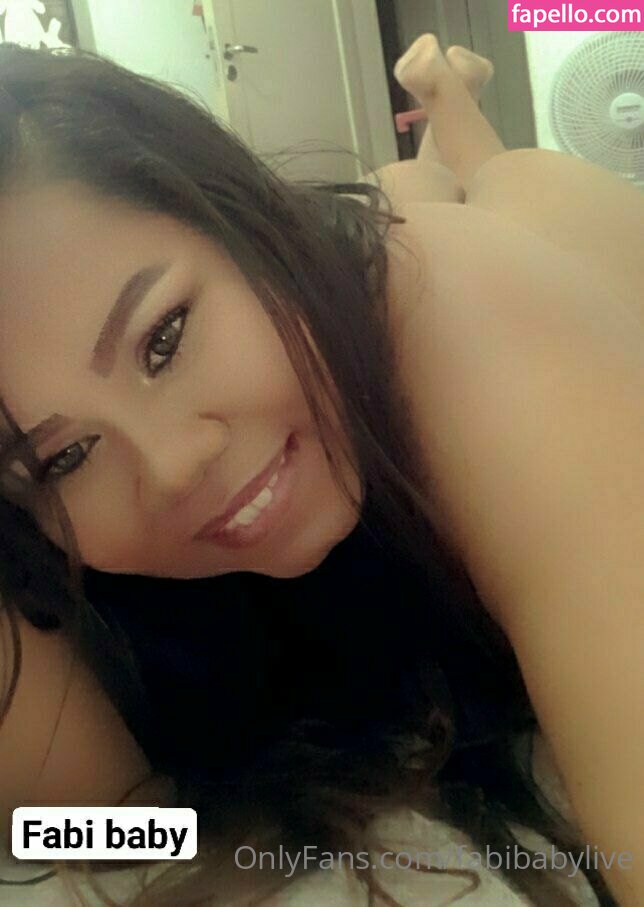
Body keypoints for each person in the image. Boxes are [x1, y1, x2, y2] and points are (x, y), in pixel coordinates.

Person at [0, 32, 642, 906]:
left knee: (501, 181)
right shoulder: (80, 574)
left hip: (541, 236)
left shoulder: (472, 320)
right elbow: (48, 829)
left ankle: (450, 102)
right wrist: (210, 842)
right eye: (66, 456)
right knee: (403, 190)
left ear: (239, 217)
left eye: (165, 338)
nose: (173, 466)